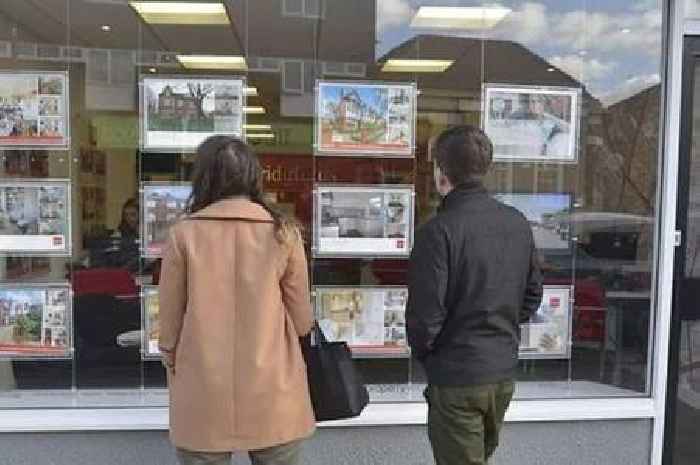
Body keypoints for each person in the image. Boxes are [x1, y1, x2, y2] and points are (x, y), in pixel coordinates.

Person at [158, 136, 315, 465]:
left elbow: (169, 324)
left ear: (203, 177)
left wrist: (172, 358)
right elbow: (302, 321)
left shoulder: (183, 234)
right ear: (253, 176)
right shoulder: (283, 233)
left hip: (203, 386)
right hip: (273, 386)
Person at [406, 125, 543, 465]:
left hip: (457, 377)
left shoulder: (437, 232)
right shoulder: (517, 223)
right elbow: (531, 296)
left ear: (441, 173)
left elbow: (425, 320)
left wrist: (432, 357)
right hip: (501, 373)